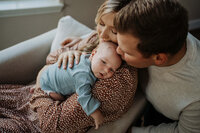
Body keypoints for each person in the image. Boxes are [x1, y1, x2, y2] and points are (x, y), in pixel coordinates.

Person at [0, 0, 138, 133]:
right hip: (26, 95)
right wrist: (68, 53)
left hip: (34, 122)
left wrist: (41, 85)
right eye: (101, 23)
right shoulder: (97, 39)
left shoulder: (117, 82)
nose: (102, 34)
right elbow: (51, 58)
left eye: (114, 31)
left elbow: (51, 124)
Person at [113, 0, 200, 132]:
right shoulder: (163, 32)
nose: (117, 51)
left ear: (159, 58)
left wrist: (133, 131)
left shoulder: (195, 96)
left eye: (126, 52)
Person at [36, 42, 122, 129]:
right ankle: (43, 90)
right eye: (103, 62)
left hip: (49, 71)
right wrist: (95, 113)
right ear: (93, 54)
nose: (106, 70)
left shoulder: (88, 57)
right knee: (60, 98)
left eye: (112, 69)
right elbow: (83, 96)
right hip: (48, 82)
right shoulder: (84, 75)